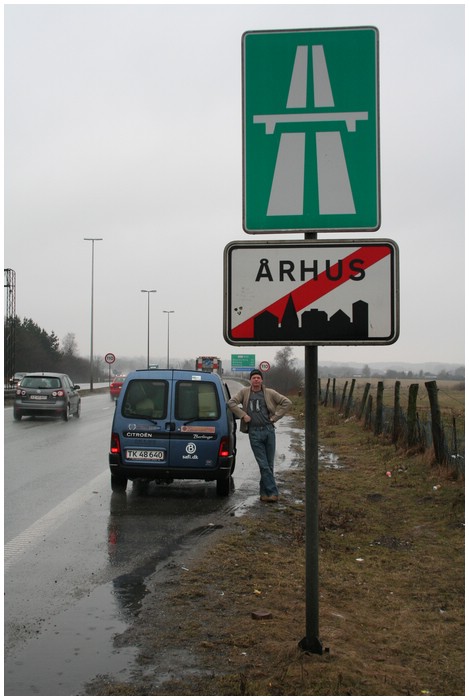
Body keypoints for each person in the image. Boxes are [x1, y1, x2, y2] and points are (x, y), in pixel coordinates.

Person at [227, 369, 292, 503]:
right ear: (250, 380)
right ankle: (273, 493)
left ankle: (264, 493)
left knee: (269, 464)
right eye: (254, 378)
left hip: (269, 431)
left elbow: (287, 402)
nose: (256, 380)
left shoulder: (269, 393)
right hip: (254, 432)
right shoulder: (244, 392)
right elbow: (231, 403)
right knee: (263, 464)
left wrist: (275, 417)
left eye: (258, 378)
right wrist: (243, 415)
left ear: (261, 380)